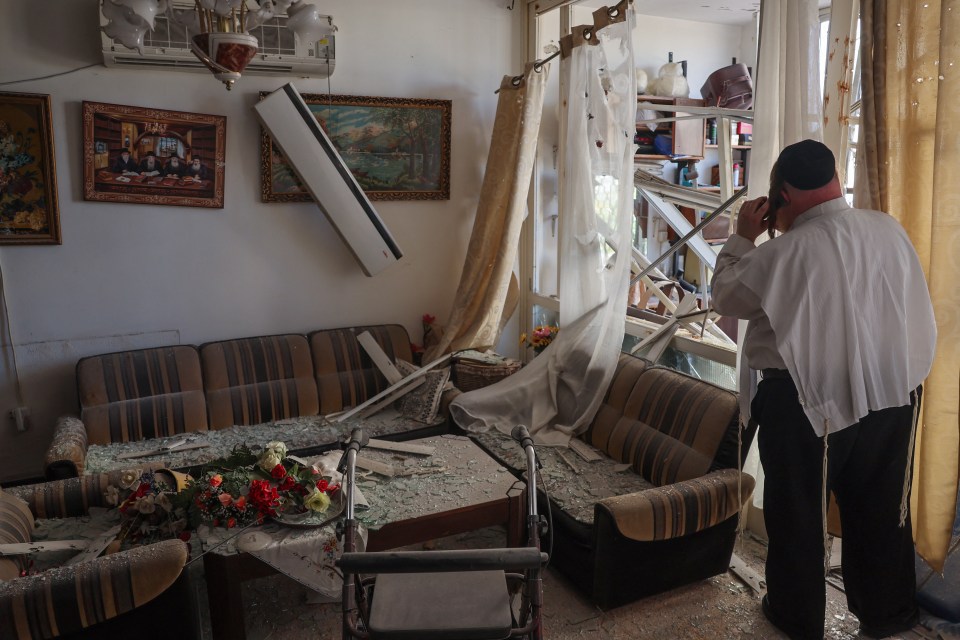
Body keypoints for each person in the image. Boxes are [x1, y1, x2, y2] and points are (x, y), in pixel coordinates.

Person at [710, 139, 937, 640]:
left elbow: (724, 295)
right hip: (891, 393)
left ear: (784, 195)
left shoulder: (783, 253)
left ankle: (797, 617)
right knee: (880, 511)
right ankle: (888, 616)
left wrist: (744, 236)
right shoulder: (888, 229)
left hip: (805, 401)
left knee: (799, 515)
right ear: (834, 179)